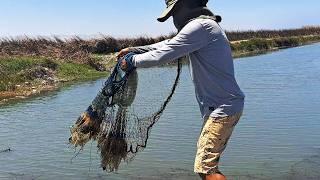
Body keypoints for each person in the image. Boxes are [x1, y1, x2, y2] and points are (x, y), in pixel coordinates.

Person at [117, 0, 245, 179]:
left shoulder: (201, 26)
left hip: (223, 108)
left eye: (174, 12)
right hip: (222, 107)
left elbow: (164, 53)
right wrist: (136, 50)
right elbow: (168, 43)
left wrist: (131, 61)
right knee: (206, 167)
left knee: (206, 169)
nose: (173, 18)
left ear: (186, 4)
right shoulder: (203, 25)